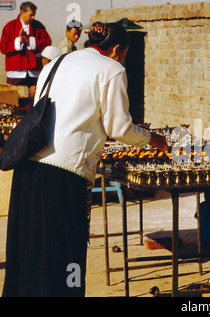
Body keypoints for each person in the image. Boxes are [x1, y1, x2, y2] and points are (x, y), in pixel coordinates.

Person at [2, 21, 168, 297]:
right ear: (116, 49)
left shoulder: (56, 63)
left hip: (28, 168)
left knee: (30, 254)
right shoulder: (112, 69)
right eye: (124, 53)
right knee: (65, 253)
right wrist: (151, 139)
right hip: (63, 175)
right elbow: (119, 128)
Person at [0, 2, 52, 87]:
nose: (33, 17)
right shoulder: (10, 26)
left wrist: (29, 41)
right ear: (22, 12)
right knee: (14, 99)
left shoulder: (38, 26)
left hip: (34, 72)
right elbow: (3, 47)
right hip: (15, 74)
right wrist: (19, 41)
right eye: (31, 15)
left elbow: (47, 42)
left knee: (34, 99)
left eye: (34, 14)